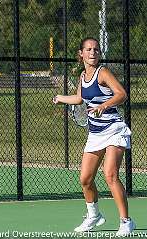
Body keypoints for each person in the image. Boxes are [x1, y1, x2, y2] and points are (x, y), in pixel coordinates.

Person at [52, 37, 135, 236]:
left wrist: (103, 106)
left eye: (96, 49)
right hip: (95, 133)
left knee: (110, 174)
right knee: (85, 179)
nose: (93, 53)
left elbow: (122, 94)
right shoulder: (82, 76)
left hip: (114, 129)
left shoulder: (103, 72)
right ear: (81, 54)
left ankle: (126, 221)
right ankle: (94, 215)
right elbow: (80, 98)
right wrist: (60, 98)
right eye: (89, 49)